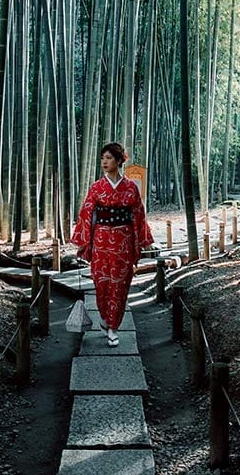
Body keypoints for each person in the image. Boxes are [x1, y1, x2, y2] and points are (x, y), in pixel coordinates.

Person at [70, 142, 154, 346]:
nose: (104, 162)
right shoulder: (97, 187)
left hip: (123, 241)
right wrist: (83, 241)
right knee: (102, 282)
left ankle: (113, 327)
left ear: (118, 160)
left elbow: (138, 215)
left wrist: (141, 241)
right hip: (101, 240)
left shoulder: (130, 187)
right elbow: (86, 212)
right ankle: (105, 317)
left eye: (108, 158)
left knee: (120, 284)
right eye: (102, 158)